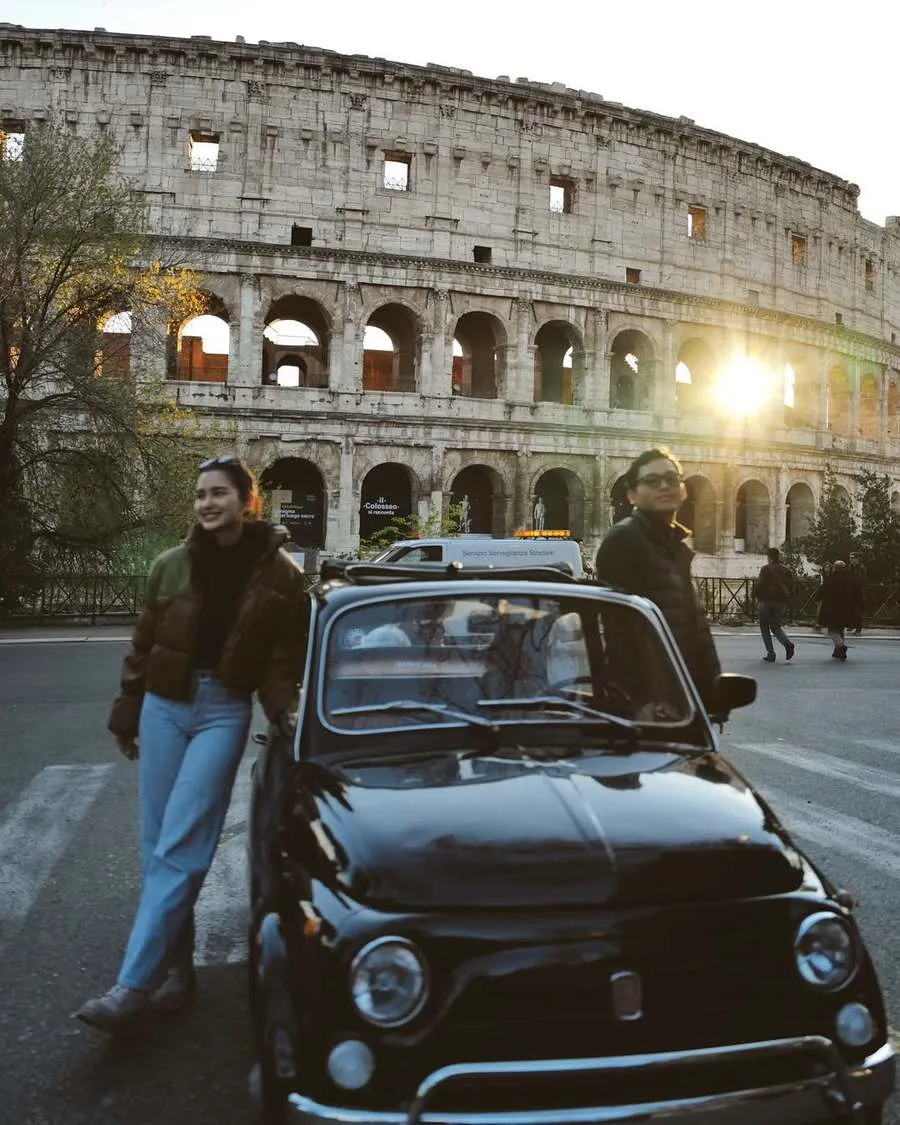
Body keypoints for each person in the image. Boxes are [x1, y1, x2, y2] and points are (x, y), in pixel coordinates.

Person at [75, 456, 308, 1034]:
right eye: (201, 494)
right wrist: (126, 716)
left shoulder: (283, 576)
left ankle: (132, 987)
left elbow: (281, 663)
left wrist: (286, 716)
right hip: (163, 708)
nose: (207, 503)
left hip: (223, 712)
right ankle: (177, 970)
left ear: (247, 501)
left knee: (184, 846)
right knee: (157, 845)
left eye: (219, 493)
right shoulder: (170, 565)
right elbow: (143, 648)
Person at [594, 447, 721, 710]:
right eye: (652, 481)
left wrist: (712, 691)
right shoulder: (625, 540)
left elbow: (694, 631)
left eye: (671, 479)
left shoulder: (674, 545)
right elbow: (620, 633)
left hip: (686, 697)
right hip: (654, 704)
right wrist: (641, 704)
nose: (664, 486)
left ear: (683, 489)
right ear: (632, 495)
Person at [755, 547, 796, 663]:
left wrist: (756, 596)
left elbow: (760, 585)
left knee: (764, 626)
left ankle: (771, 653)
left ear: (769, 557)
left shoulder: (765, 569)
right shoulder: (786, 570)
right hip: (781, 602)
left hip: (765, 601)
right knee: (775, 626)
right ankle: (787, 643)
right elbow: (791, 587)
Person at [816, 558, 856, 660]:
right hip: (846, 607)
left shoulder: (830, 579)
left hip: (832, 607)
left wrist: (818, 597)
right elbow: (855, 593)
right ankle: (838, 651)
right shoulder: (850, 579)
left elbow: (823, 591)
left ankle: (840, 646)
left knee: (832, 630)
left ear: (835, 568)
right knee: (840, 629)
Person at [847, 552, 867, 635]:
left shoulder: (861, 568)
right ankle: (851, 625)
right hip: (851, 591)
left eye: (852, 558)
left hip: (858, 592)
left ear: (857, 559)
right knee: (850, 609)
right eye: (850, 558)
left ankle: (858, 629)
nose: (851, 560)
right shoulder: (851, 567)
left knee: (858, 611)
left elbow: (860, 581)